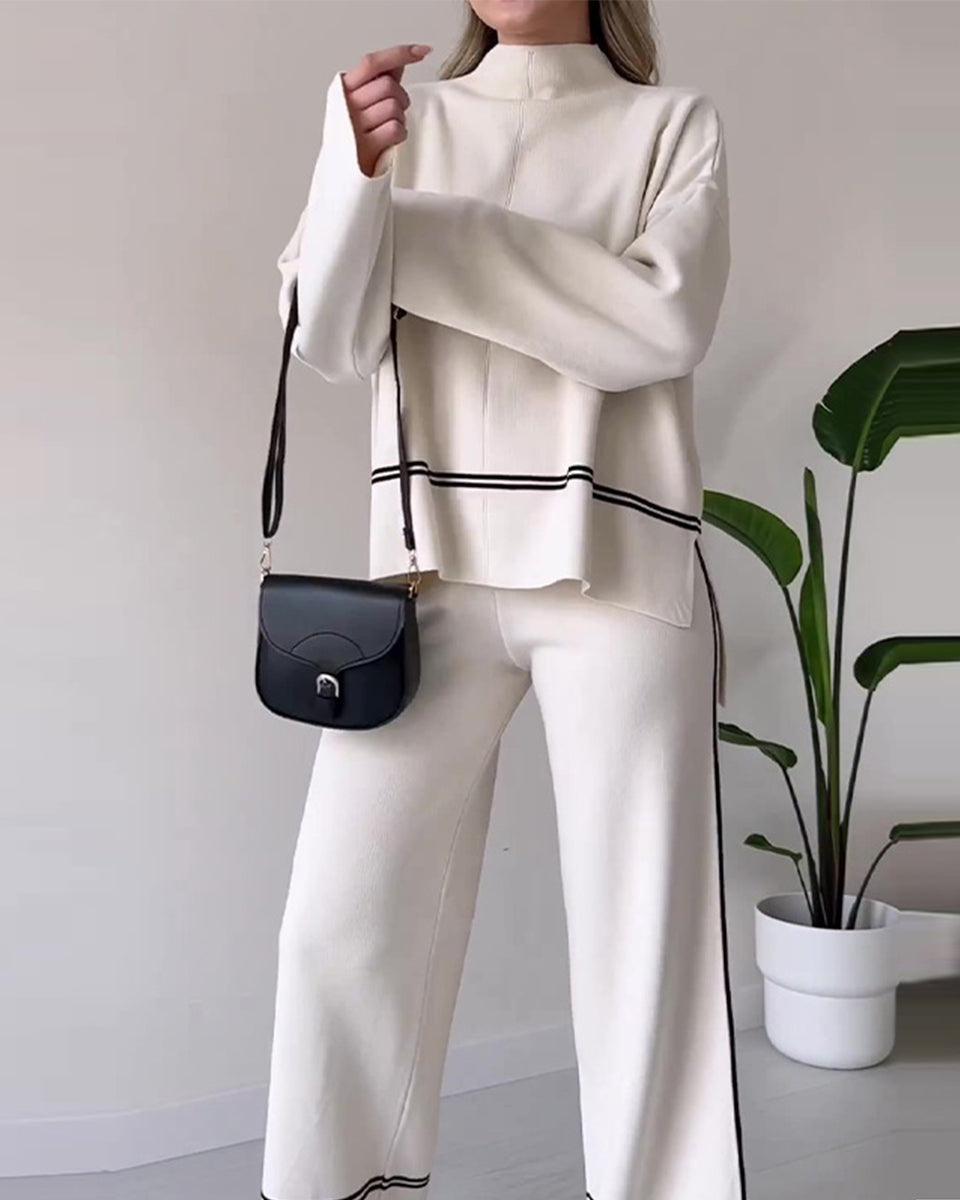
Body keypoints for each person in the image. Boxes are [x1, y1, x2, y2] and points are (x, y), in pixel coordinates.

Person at [260, 3, 744, 1199]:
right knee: (340, 917)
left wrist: (421, 237)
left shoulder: (669, 125)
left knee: (641, 941)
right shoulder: (401, 129)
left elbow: (659, 326)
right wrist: (353, 172)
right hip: (425, 576)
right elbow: (328, 337)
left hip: (615, 567)